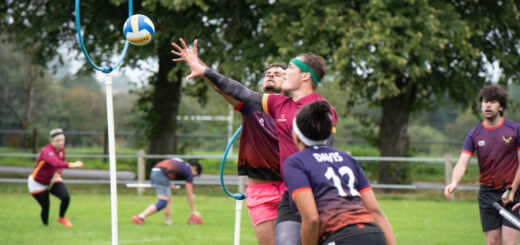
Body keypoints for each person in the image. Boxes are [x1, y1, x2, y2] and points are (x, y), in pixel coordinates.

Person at [172, 38, 337, 244]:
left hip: (314, 192)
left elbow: (325, 152)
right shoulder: (276, 104)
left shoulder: (321, 109)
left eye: (286, 70)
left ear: (304, 76)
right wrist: (204, 70)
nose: (280, 73)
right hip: (284, 191)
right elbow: (238, 91)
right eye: (270, 73)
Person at [284, 100, 396, 245]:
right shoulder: (347, 158)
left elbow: (311, 219)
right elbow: (375, 211)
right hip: (374, 234)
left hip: (340, 236)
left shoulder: (296, 162)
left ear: (296, 135)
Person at [202, 63, 285, 245]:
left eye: (277, 74)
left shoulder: (297, 110)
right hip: (261, 193)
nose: (270, 75)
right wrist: (200, 67)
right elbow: (220, 87)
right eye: (267, 74)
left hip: (291, 189)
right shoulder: (251, 107)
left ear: (288, 81)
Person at [444, 85, 520, 245]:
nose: (487, 105)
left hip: (512, 192)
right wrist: (454, 182)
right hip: (487, 195)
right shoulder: (474, 133)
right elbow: (462, 163)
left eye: (492, 102)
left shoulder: (515, 130)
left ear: (501, 106)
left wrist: (512, 191)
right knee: (493, 242)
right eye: (485, 101)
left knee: (510, 242)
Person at [28, 128, 84, 227]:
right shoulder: (46, 151)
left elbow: (60, 166)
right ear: (52, 141)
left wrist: (58, 175)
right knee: (46, 206)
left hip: (52, 180)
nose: (61, 143)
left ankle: (61, 218)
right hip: (37, 183)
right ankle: (46, 226)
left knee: (66, 197)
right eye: (58, 140)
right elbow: (56, 162)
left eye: (62, 140)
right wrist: (73, 164)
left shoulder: (62, 150)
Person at [132, 158, 202, 226]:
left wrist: (170, 182)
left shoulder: (182, 164)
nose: (193, 176)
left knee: (168, 198)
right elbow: (189, 193)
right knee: (162, 202)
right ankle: (140, 217)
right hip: (161, 175)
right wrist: (193, 210)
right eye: (195, 175)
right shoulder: (189, 172)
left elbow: (169, 168)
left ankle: (168, 222)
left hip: (156, 171)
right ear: (193, 168)